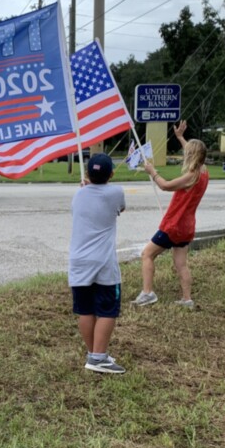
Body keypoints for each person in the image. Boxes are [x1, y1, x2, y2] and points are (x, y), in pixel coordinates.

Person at [134, 120, 209, 309]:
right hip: (187, 227)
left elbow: (165, 186)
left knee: (147, 254)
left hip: (174, 225)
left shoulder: (190, 177)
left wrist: (153, 172)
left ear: (191, 156)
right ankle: (187, 299)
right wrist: (180, 138)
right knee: (181, 264)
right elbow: (192, 152)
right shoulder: (203, 171)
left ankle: (147, 293)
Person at [69, 153, 126, 374]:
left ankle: (94, 353)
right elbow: (120, 209)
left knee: (86, 310)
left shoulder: (78, 195)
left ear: (87, 174)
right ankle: (98, 357)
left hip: (78, 261)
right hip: (103, 261)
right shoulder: (116, 192)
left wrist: (85, 188)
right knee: (107, 310)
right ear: (111, 173)